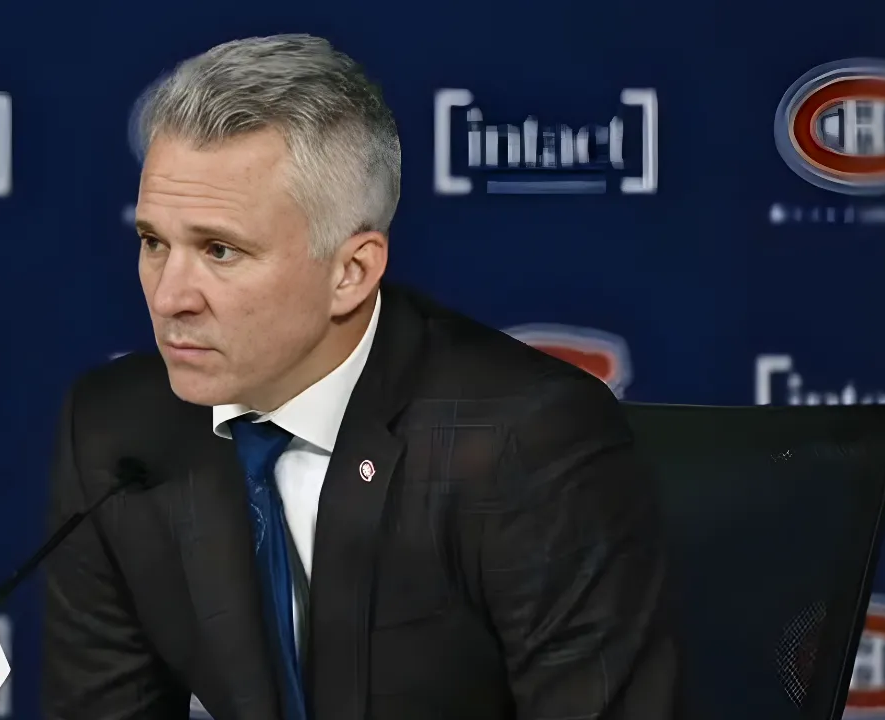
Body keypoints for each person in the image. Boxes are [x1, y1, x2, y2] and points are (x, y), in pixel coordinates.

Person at [41, 33, 680, 720]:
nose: (169, 296)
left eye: (220, 250)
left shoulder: (529, 444)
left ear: (352, 272)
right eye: (153, 243)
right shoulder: (118, 435)